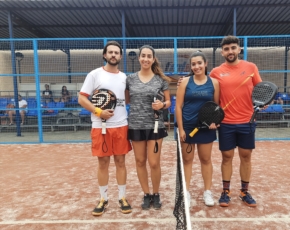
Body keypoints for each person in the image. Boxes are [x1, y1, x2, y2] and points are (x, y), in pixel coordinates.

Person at [78, 41, 133, 215]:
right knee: (103, 163)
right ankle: (103, 199)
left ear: (121, 56)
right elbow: (81, 98)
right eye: (110, 52)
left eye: (116, 53)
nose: (113, 55)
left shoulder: (125, 77)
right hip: (100, 126)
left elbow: (126, 99)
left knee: (121, 162)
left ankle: (122, 198)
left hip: (121, 125)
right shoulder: (94, 75)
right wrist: (98, 111)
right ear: (104, 55)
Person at [210, 35, 262, 207]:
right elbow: (206, 90)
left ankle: (244, 192)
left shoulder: (251, 67)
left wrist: (263, 104)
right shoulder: (215, 72)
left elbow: (260, 91)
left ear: (239, 49)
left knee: (246, 157)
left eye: (233, 48)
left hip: (247, 121)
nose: (230, 51)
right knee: (227, 157)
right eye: (226, 49)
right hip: (225, 123)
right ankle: (226, 192)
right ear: (222, 52)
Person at [125, 45, 171, 210]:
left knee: (154, 162)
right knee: (140, 161)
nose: (145, 59)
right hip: (136, 125)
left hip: (155, 126)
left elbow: (168, 102)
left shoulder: (161, 80)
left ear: (153, 59)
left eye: (148, 56)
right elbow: (127, 100)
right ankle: (146, 194)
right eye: (142, 56)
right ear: (139, 58)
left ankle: (156, 193)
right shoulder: (130, 79)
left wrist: (161, 105)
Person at [175, 51, 220, 208]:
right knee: (187, 160)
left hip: (206, 129)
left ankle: (207, 191)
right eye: (193, 64)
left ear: (205, 64)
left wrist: (214, 122)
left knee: (206, 160)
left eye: (199, 63)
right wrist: (181, 129)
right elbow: (178, 107)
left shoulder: (214, 83)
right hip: (188, 128)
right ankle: (185, 192)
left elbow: (216, 107)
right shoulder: (185, 82)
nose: (197, 66)